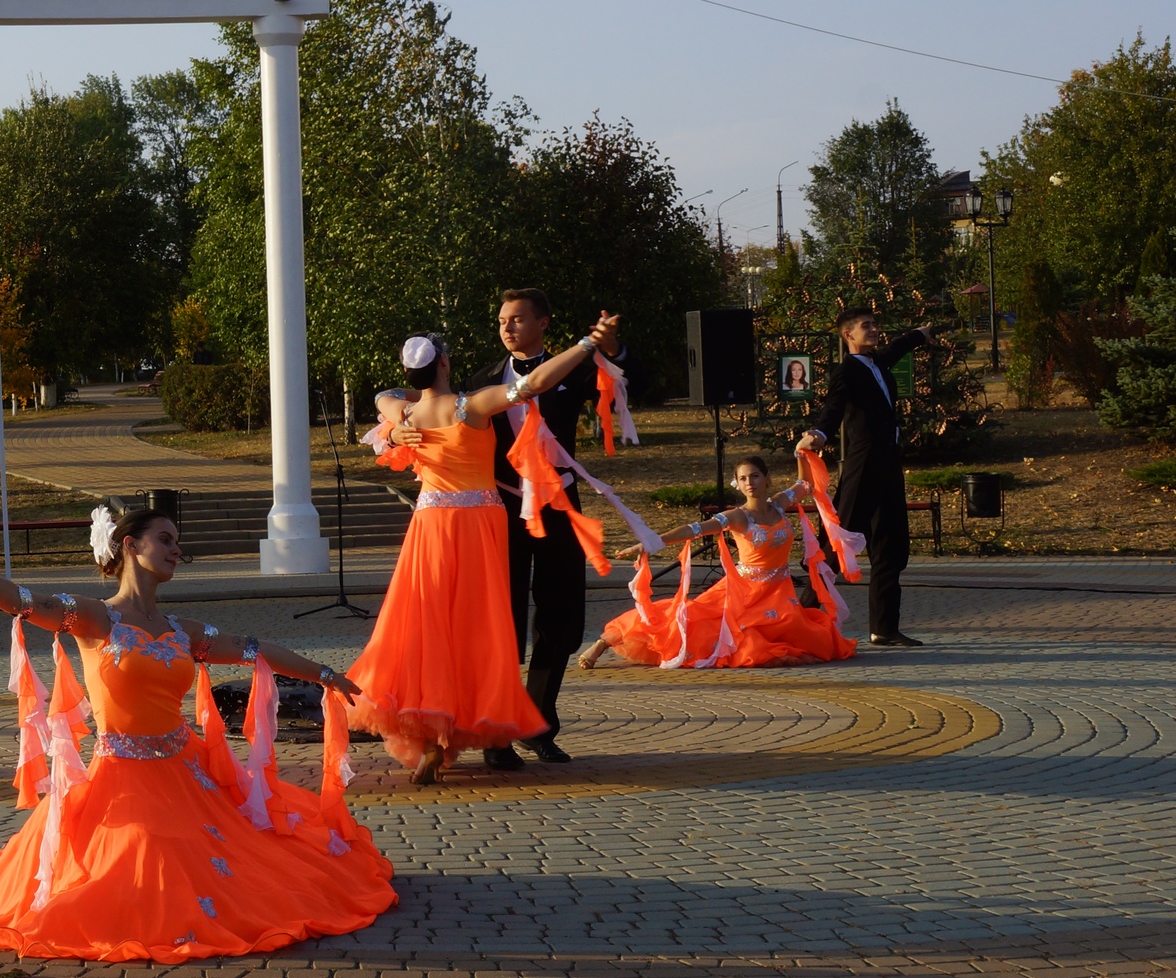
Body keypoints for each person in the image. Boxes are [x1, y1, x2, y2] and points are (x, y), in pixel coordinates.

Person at [0, 507, 395, 961]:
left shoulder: (180, 630)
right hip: (121, 776)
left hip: (188, 773)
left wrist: (324, 672)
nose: (175, 550)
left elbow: (255, 649)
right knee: (147, 853)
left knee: (245, 863)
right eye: (165, 540)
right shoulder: (94, 617)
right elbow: (25, 603)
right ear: (130, 545)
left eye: (177, 542)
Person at [357, 326, 612, 783]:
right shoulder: (470, 407)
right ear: (445, 364)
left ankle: (433, 736)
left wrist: (396, 427)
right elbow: (531, 385)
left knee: (429, 624)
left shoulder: (408, 410)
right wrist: (586, 346)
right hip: (477, 527)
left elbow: (382, 395)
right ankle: (464, 731)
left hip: (430, 527)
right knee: (477, 630)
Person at [459, 288, 628, 768]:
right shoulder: (482, 380)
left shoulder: (569, 370)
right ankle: (496, 733)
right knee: (502, 623)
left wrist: (609, 345)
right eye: (501, 321)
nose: (507, 328)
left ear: (543, 324)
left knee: (561, 617)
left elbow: (621, 376)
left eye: (516, 319)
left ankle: (537, 724)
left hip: (558, 504)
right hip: (502, 509)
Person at [582, 453, 858, 669]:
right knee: (683, 622)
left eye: (755, 476)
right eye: (743, 479)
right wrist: (652, 542)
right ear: (737, 484)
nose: (750, 483)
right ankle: (602, 644)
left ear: (766, 479)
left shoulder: (778, 504)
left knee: (810, 638)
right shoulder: (738, 516)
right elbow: (695, 529)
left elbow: (804, 483)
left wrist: (800, 453)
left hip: (778, 592)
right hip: (744, 592)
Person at [795, 308, 931, 647]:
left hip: (888, 466)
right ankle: (800, 622)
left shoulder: (878, 362)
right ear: (848, 335)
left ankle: (884, 628)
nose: (874, 329)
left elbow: (896, 348)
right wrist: (821, 435)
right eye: (865, 326)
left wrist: (920, 334)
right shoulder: (847, 372)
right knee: (839, 543)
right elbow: (834, 409)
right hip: (863, 465)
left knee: (890, 546)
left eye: (875, 323)